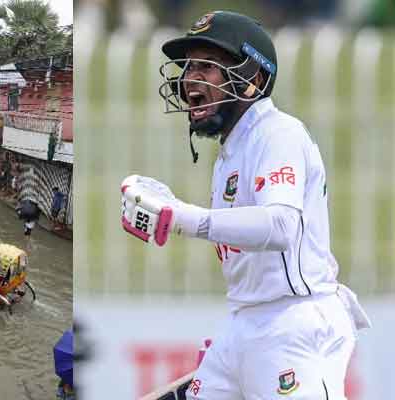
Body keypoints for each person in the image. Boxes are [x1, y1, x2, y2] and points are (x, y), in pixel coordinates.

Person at [121, 11, 371, 399]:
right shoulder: (230, 153)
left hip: (293, 323)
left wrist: (183, 217)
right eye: (188, 67)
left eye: (207, 66)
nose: (190, 79)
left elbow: (281, 227)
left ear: (252, 78)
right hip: (243, 325)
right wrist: (240, 343)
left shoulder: (278, 132)